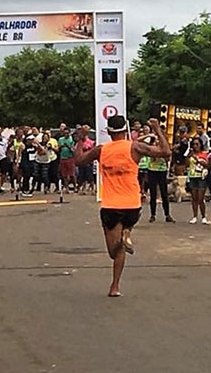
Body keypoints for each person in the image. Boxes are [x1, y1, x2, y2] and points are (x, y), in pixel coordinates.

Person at [74, 115, 171, 297]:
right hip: (132, 204)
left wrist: (81, 137)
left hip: (111, 205)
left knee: (113, 251)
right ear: (125, 130)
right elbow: (166, 152)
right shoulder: (135, 147)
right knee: (120, 247)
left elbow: (79, 161)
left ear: (109, 132)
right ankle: (115, 285)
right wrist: (157, 128)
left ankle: (121, 244)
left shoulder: (101, 150)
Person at [187, 137, 209, 224]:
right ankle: (195, 216)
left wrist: (196, 158)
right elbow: (186, 164)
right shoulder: (190, 155)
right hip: (192, 176)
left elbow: (206, 164)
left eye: (197, 144)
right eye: (194, 144)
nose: (195, 146)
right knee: (194, 198)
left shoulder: (204, 154)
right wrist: (188, 155)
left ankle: (203, 216)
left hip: (201, 177)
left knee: (201, 198)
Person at [58, 128, 76, 193]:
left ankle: (75, 186)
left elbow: (73, 150)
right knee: (64, 175)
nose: (66, 134)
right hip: (63, 158)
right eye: (65, 133)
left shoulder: (71, 140)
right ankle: (67, 188)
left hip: (70, 158)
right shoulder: (60, 139)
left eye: (67, 133)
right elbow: (58, 149)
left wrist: (68, 146)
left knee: (72, 174)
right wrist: (61, 146)